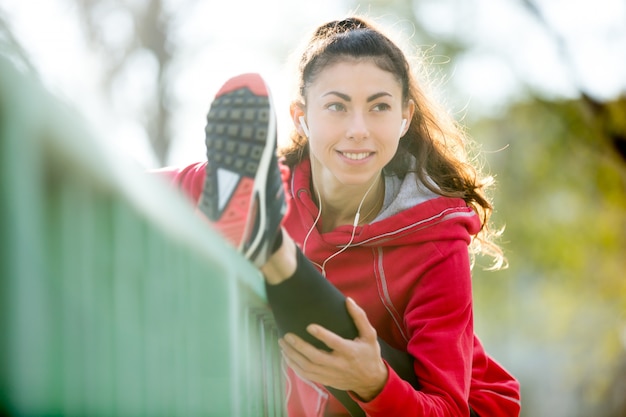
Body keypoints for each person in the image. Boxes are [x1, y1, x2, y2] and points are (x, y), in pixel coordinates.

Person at [154, 16, 521, 417]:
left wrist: (374, 382)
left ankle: (274, 252)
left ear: (405, 117)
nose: (358, 129)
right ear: (301, 117)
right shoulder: (252, 188)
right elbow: (121, 185)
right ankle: (273, 252)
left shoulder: (435, 237)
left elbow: (447, 405)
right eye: (336, 106)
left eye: (379, 107)